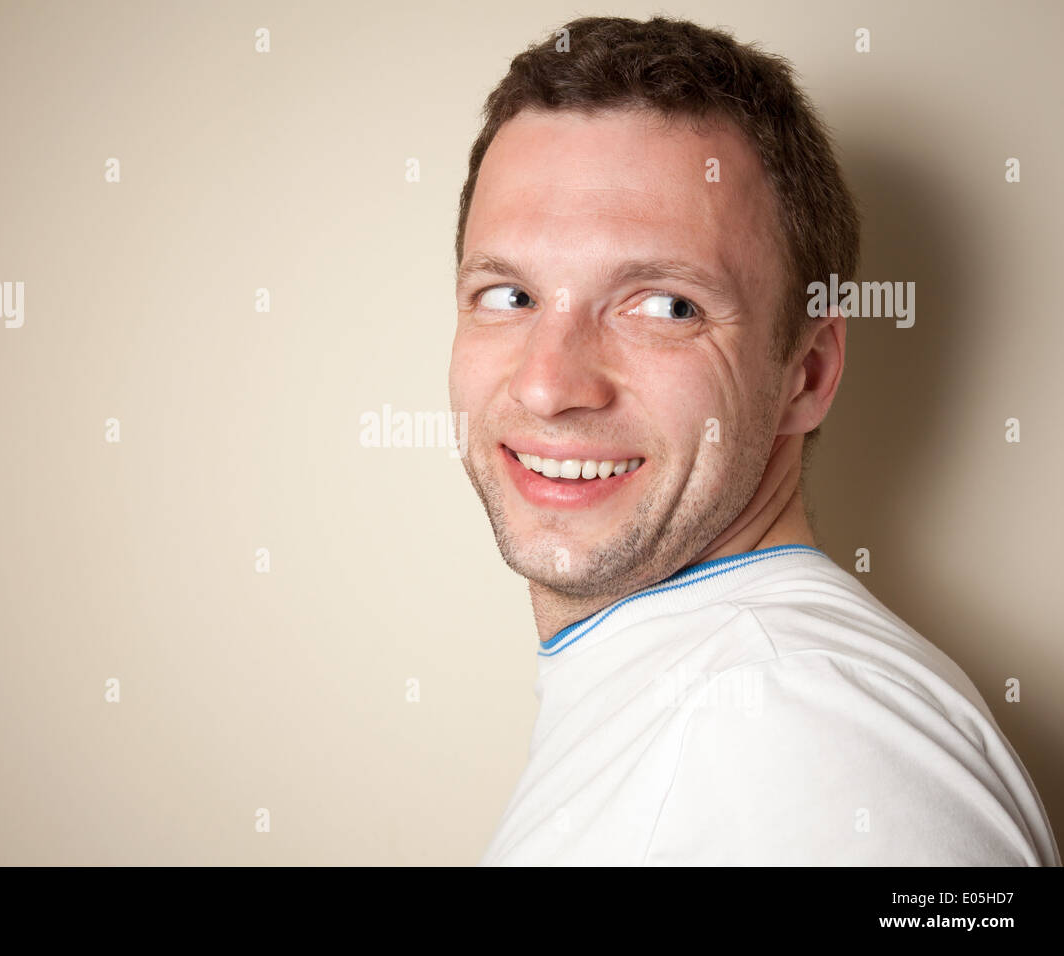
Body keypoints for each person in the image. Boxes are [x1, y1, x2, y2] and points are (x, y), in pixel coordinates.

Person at [448, 15, 1059, 865]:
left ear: (805, 373)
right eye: (509, 295)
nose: (548, 386)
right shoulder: (714, 692)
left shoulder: (800, 725)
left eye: (666, 306)